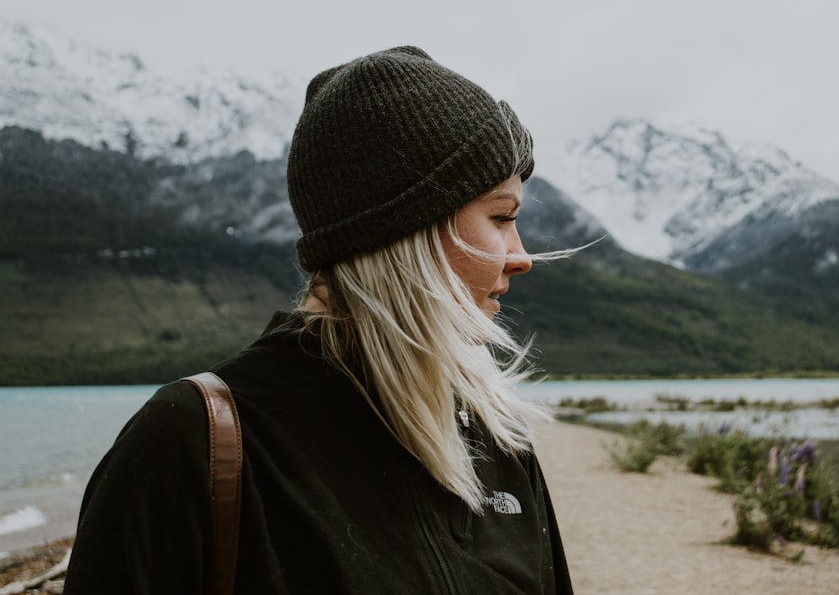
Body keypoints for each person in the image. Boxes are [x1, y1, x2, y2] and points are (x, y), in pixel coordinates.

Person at [63, 46, 575, 594]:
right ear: (402, 232)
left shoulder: (499, 437)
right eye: (501, 216)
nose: (520, 255)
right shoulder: (193, 443)